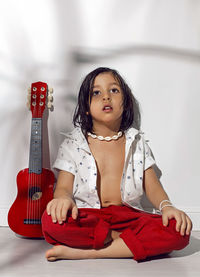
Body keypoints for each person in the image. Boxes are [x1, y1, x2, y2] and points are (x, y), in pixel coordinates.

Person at [42, 67, 193, 262]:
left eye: (113, 90)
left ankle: (86, 252)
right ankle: (127, 245)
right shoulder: (74, 143)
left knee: (179, 230)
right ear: (86, 107)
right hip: (90, 216)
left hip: (129, 217)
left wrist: (167, 207)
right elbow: (62, 187)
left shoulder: (136, 142)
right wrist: (63, 199)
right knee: (49, 221)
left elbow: (153, 187)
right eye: (96, 93)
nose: (106, 97)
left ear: (126, 102)